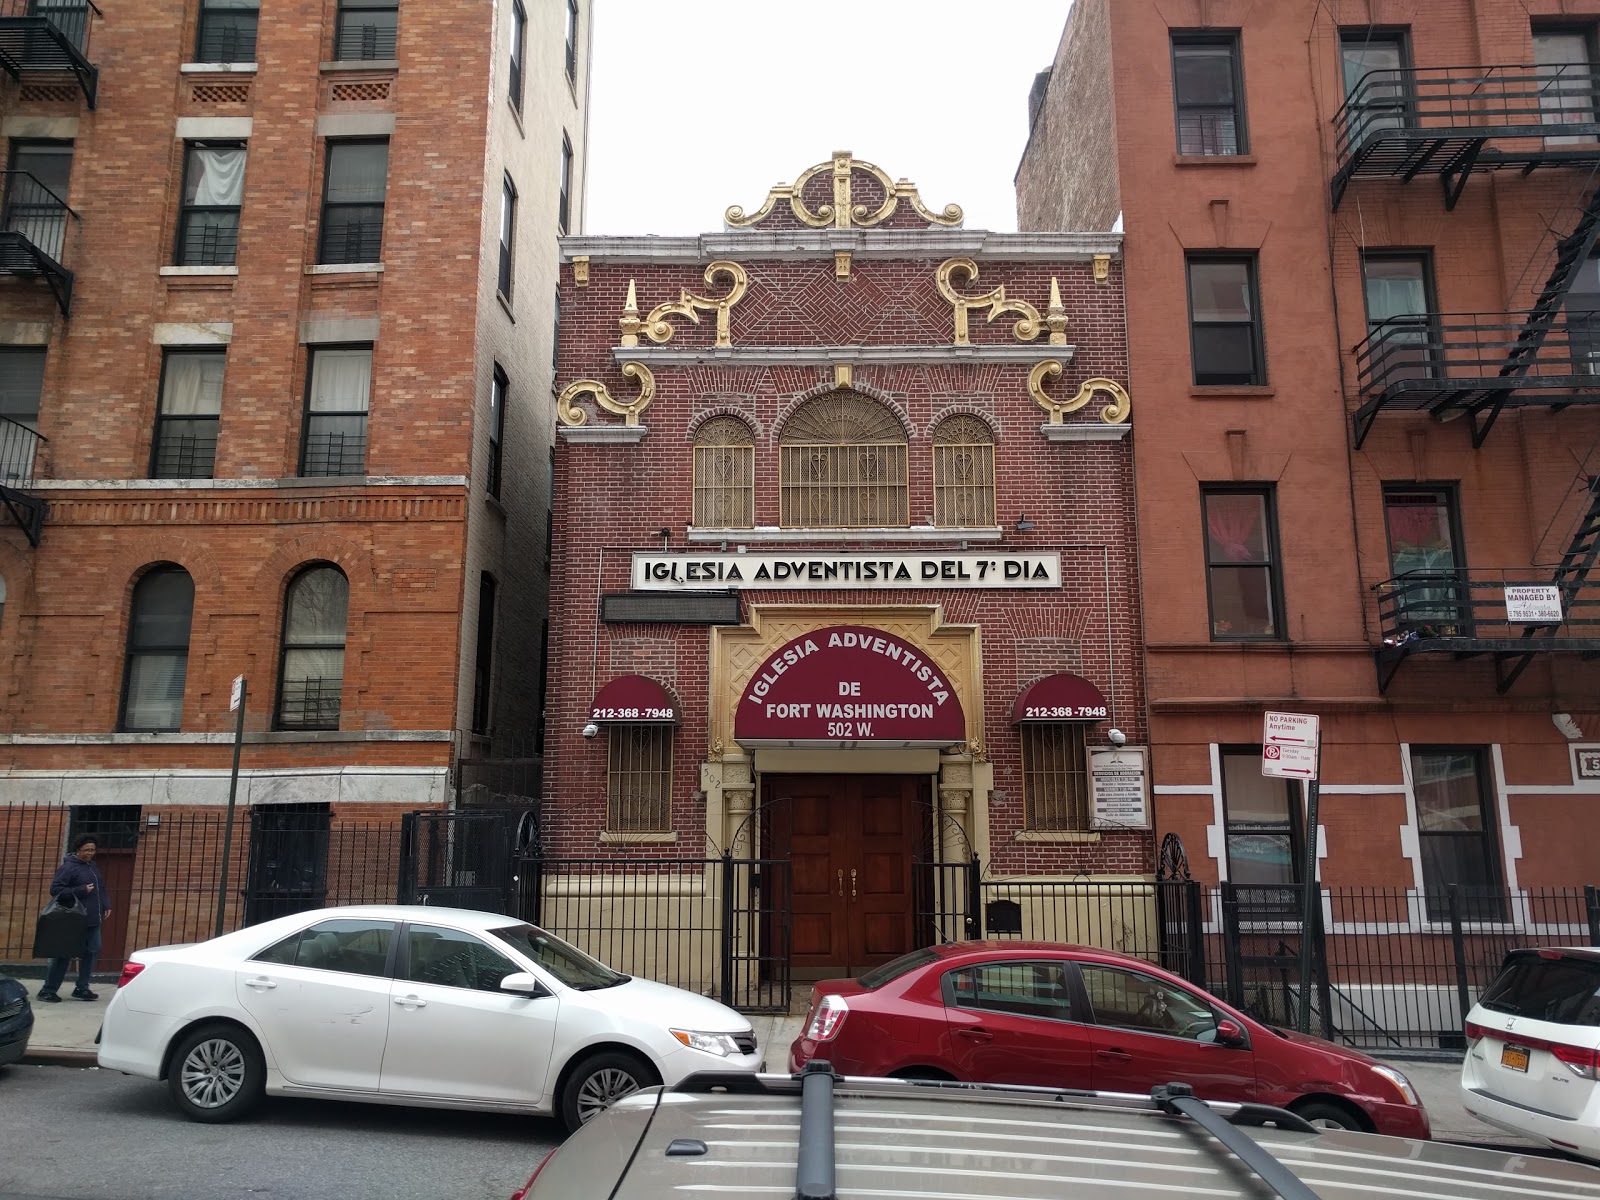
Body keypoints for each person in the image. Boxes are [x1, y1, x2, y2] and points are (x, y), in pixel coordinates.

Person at [38, 834, 111, 1003]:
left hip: (93, 919)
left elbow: (101, 887)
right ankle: (48, 990)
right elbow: (56, 890)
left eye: (92, 850)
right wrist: (81, 890)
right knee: (64, 953)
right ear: (78, 850)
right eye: (86, 850)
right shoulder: (69, 867)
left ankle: (82, 988)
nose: (90, 853)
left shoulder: (92, 866)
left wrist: (106, 905)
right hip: (73, 919)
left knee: (92, 951)